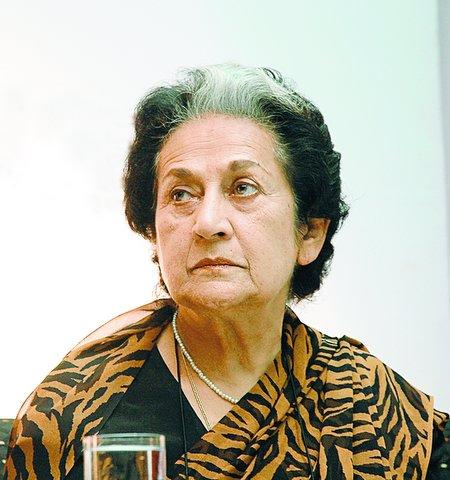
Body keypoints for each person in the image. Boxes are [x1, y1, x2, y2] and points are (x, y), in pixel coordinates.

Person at [4, 63, 448, 480]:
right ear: (153, 231)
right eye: (181, 194)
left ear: (309, 232)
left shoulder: (369, 406)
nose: (208, 221)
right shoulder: (73, 414)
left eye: (243, 188)